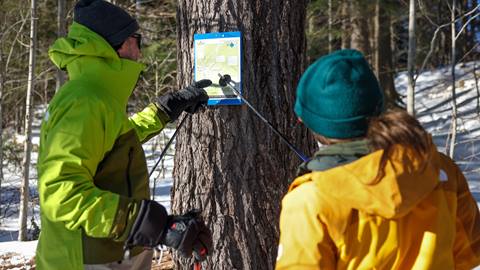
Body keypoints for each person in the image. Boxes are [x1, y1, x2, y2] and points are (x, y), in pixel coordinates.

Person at [36, 0, 212, 269]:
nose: (140, 50)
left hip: (108, 250)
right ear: (115, 44)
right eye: (136, 39)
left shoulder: (96, 96)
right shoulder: (84, 102)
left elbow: (116, 142)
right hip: (84, 258)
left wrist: (165, 110)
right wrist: (151, 225)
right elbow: (62, 193)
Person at [276, 49, 480, 269]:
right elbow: (468, 254)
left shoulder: (309, 200)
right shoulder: (440, 171)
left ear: (306, 120)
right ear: (378, 107)